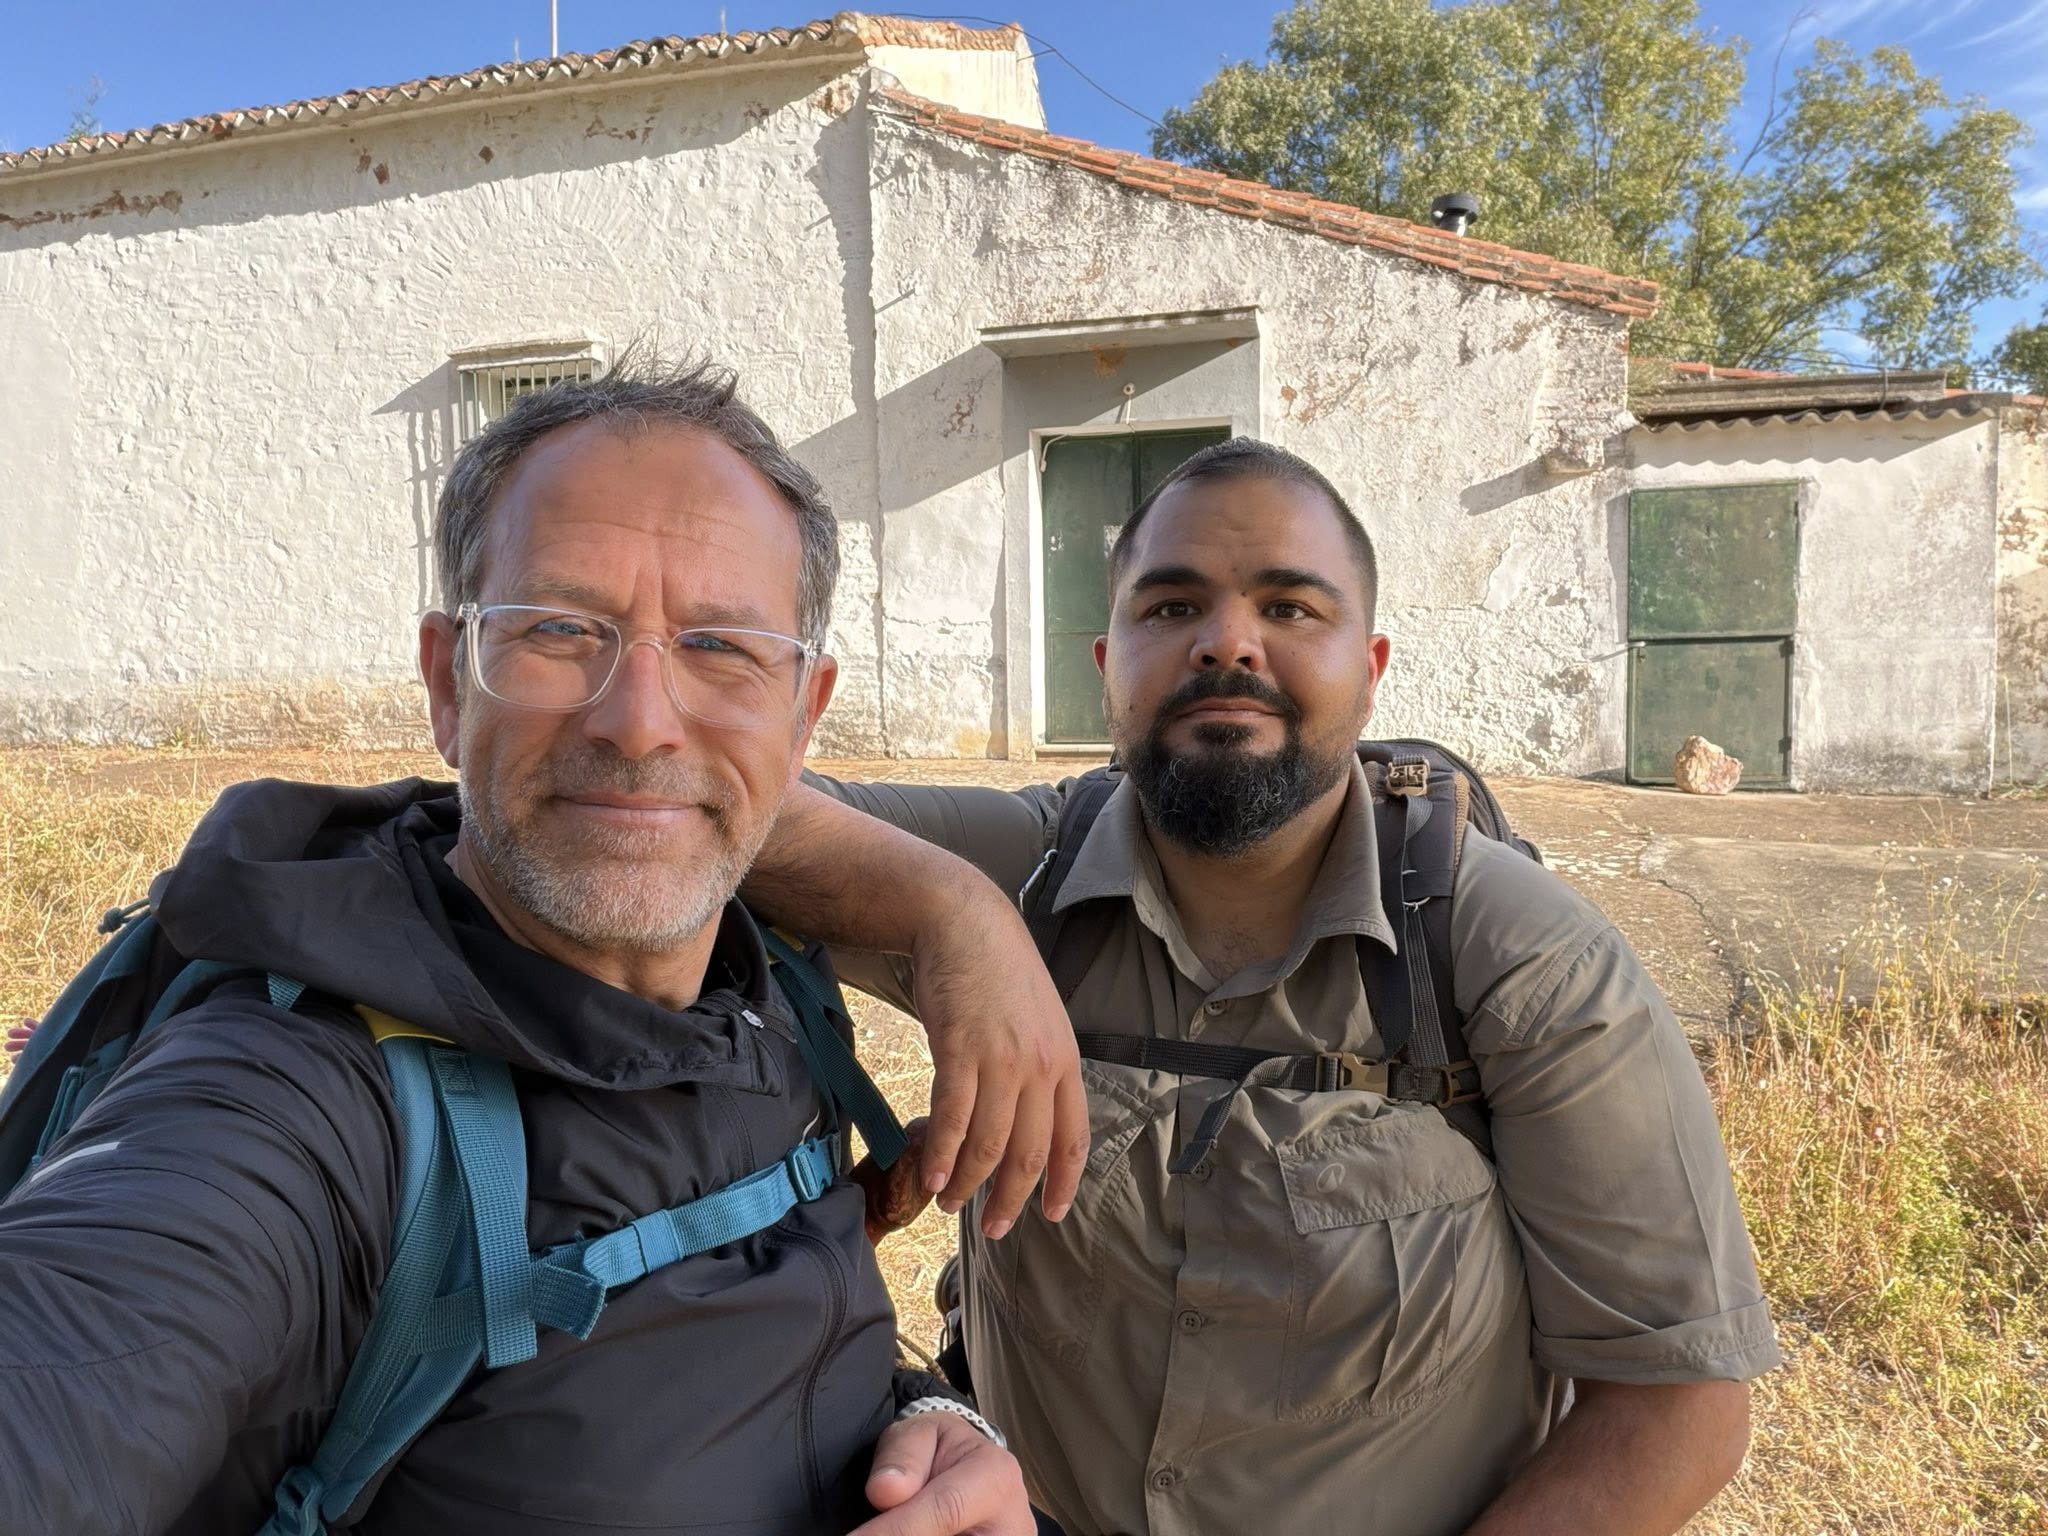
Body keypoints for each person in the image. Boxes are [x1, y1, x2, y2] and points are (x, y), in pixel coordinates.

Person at [0, 356, 1091, 1535]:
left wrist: (930, 1427)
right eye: (559, 629)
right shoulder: (297, 1104)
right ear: (446, 681)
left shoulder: (767, 977)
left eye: (722, 646)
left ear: (804, 710)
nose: (639, 722)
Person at [751, 439, 1782, 1536]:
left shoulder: (1513, 956)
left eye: (1289, 608)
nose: (1225, 643)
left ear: (1370, 665)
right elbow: (723, 805)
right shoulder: (1024, 877)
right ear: (1106, 664)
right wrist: (956, 916)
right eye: (1169, 608)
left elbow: (1675, 1405)